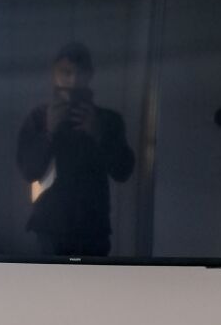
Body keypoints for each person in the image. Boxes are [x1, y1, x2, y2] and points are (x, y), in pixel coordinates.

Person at [17, 42, 135, 257]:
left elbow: (123, 172)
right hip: (50, 226)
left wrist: (98, 134)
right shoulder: (38, 118)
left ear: (90, 75)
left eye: (80, 73)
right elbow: (28, 172)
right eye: (66, 72)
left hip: (93, 228)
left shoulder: (108, 120)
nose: (72, 81)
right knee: (50, 279)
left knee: (94, 280)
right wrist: (49, 133)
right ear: (54, 74)